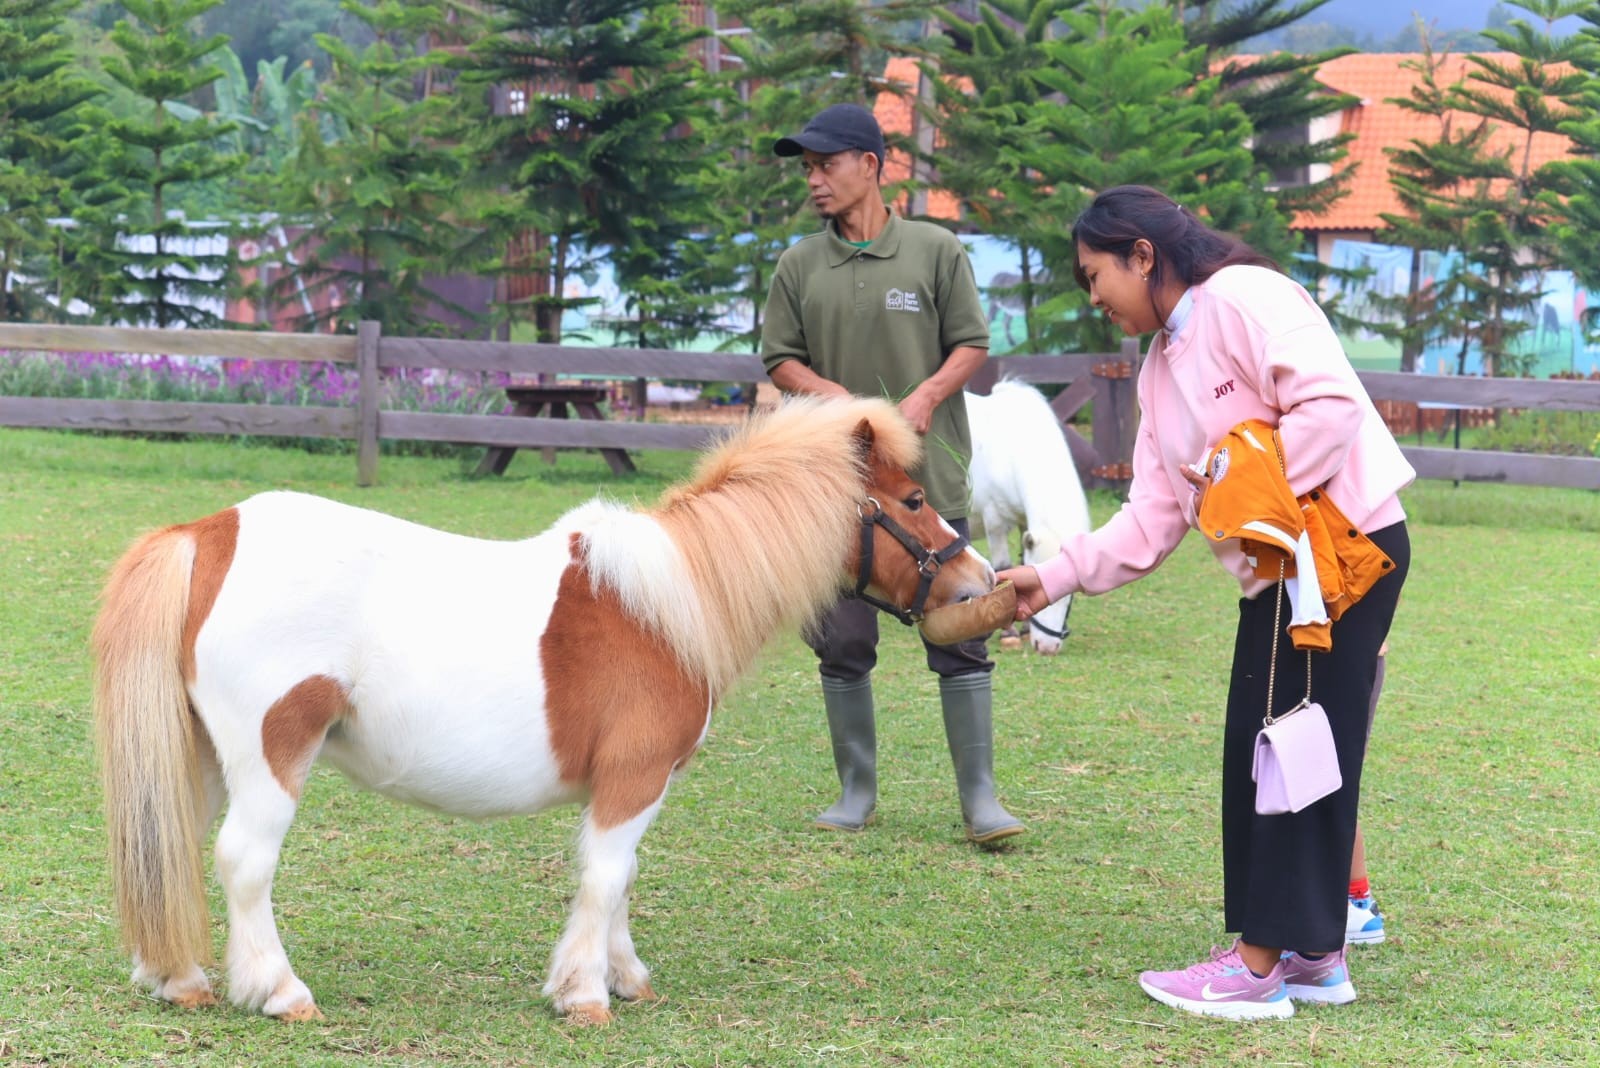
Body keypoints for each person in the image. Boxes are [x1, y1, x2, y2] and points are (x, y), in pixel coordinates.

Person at [1001, 185, 1412, 1018]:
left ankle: (1257, 966)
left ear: (1142, 255)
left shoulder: (1244, 299)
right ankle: (1316, 956)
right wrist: (1052, 578)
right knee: (1300, 747)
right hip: (1280, 568)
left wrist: (1233, 487)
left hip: (1341, 552)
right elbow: (1154, 513)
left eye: (1095, 276)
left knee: (1274, 747)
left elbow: (1331, 409)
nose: (1094, 299)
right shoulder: (1160, 370)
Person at [760, 102, 1024, 845]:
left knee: (960, 633)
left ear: (871, 166)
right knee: (841, 640)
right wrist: (835, 398)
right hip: (832, 498)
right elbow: (778, 356)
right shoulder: (798, 265)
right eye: (807, 169)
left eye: (825, 164)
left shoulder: (935, 251)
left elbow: (971, 342)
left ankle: (981, 802)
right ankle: (855, 793)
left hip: (924, 489)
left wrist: (925, 396)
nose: (813, 180)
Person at [1347, 640, 1391, 946]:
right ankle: (1356, 899)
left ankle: (1356, 902)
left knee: (1332, 783)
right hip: (1342, 650)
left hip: (1349, 652)